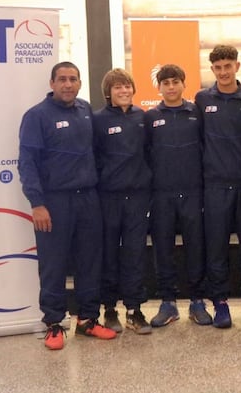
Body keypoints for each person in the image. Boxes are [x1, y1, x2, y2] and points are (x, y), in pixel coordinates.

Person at [18, 61, 117, 350]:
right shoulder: (36, 116)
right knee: (54, 264)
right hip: (54, 202)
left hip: (88, 199)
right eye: (62, 79)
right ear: (52, 83)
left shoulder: (86, 110)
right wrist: (37, 203)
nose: (68, 84)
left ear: (80, 83)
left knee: (89, 262)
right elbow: (27, 163)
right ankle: (53, 323)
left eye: (73, 79)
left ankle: (88, 320)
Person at [195, 45, 241, 328]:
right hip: (214, 187)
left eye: (228, 66)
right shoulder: (201, 100)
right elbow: (197, 141)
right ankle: (220, 303)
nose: (223, 72)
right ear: (213, 69)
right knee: (217, 247)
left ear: (237, 66)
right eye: (218, 67)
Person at [145, 64, 212, 327]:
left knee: (196, 247)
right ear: (159, 87)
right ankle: (168, 302)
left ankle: (197, 301)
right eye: (166, 83)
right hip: (161, 195)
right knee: (163, 249)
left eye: (175, 82)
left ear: (184, 84)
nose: (171, 87)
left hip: (193, 193)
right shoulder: (150, 118)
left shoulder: (196, 113)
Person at [93, 68, 153, 335]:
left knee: (135, 255)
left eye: (127, 86)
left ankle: (134, 310)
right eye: (117, 87)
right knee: (108, 253)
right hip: (109, 198)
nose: (123, 91)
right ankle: (109, 309)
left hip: (138, 198)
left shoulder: (144, 117)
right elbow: (93, 158)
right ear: (109, 92)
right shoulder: (98, 120)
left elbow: (150, 153)